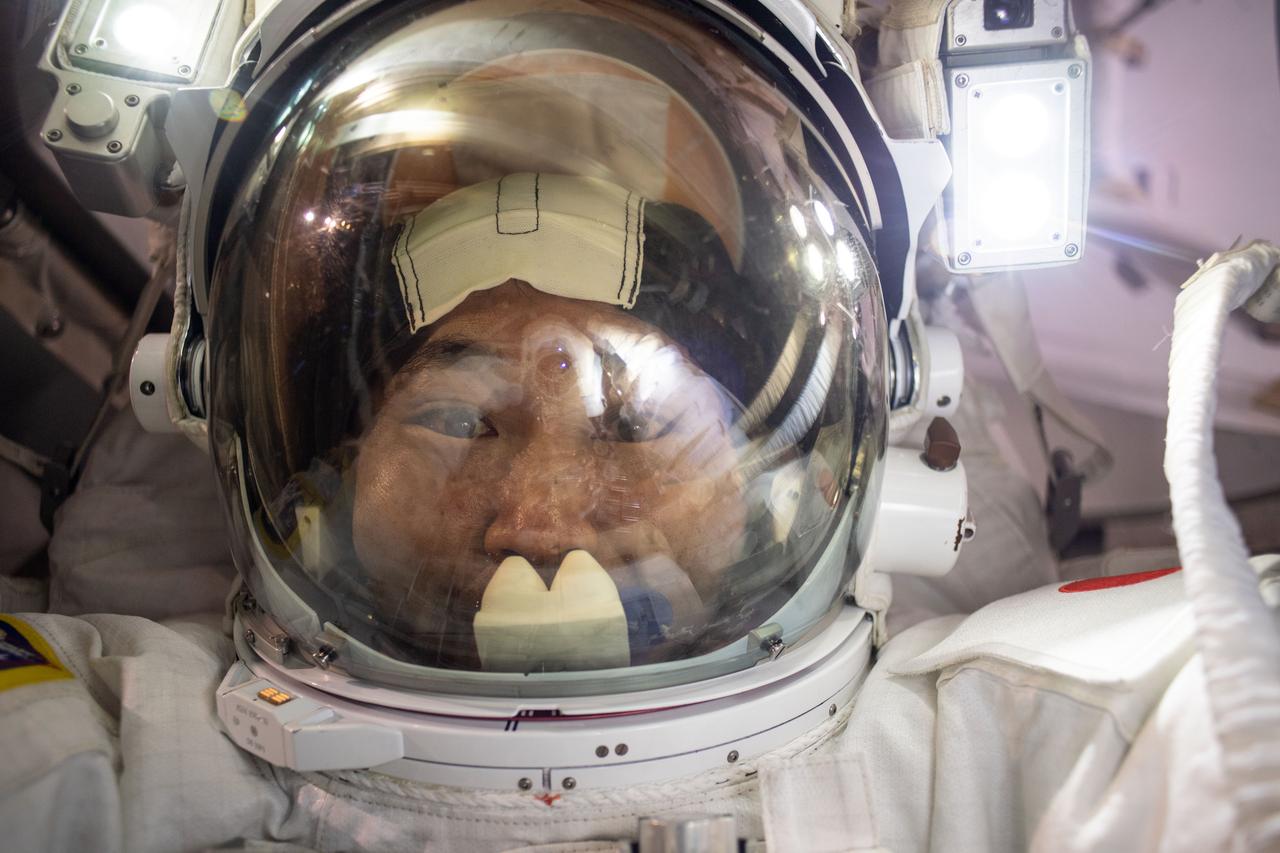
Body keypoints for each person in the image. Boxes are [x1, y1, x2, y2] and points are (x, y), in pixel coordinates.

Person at [2, 1, 1272, 851]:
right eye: (456, 416)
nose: (536, 518)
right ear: (318, 485)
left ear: (783, 490)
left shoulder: (1031, 750)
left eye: (633, 417)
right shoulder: (113, 753)